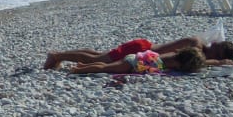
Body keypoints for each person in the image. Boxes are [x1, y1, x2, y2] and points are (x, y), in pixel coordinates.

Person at [44, 37, 233, 70]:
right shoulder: (197, 47)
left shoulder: (199, 42)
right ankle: (57, 56)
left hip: (143, 46)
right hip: (142, 51)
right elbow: (193, 60)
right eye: (217, 54)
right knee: (97, 59)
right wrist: (218, 63)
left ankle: (58, 56)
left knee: (101, 55)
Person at [68, 46, 206, 75]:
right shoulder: (174, 63)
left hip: (133, 58)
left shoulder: (173, 54)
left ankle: (82, 65)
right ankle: (78, 70)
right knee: (105, 68)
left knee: (106, 65)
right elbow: (160, 69)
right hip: (132, 63)